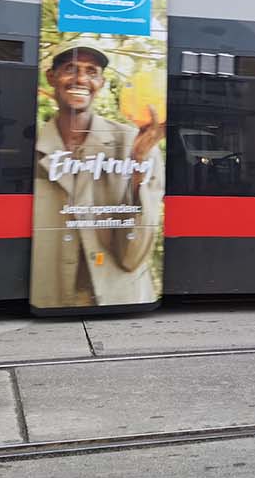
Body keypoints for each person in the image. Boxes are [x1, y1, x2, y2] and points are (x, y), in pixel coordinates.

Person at [30, 39, 164, 309]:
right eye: (71, 68)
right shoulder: (29, 148)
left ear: (101, 83)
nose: (81, 78)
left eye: (92, 71)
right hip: (50, 300)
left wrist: (138, 164)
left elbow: (133, 256)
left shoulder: (135, 144)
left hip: (120, 299)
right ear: (51, 77)